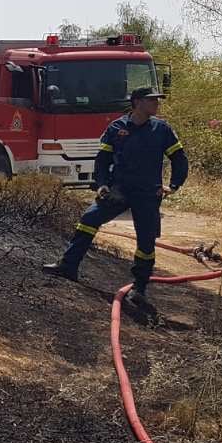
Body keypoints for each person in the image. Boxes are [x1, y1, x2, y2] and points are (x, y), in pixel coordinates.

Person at [42, 86, 188, 306]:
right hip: (118, 191)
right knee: (88, 220)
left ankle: (139, 288)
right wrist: (101, 185)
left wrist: (173, 186)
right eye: (152, 100)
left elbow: (179, 159)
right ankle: (68, 266)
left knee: (146, 242)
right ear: (138, 102)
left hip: (148, 194)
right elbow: (103, 160)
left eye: (158, 100)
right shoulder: (116, 128)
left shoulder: (162, 129)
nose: (157, 103)